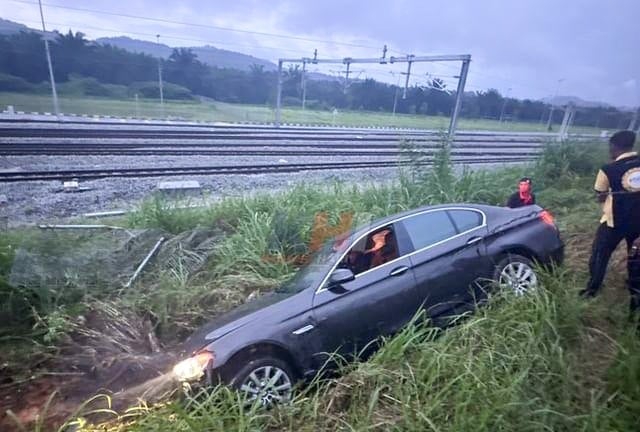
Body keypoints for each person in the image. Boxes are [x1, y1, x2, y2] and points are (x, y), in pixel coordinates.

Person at [580, 130, 640, 312]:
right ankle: (635, 300)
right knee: (636, 261)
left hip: (614, 221)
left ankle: (592, 289)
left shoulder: (607, 169)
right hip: (638, 224)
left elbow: (600, 195)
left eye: (610, 147)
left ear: (615, 147)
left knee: (600, 255)